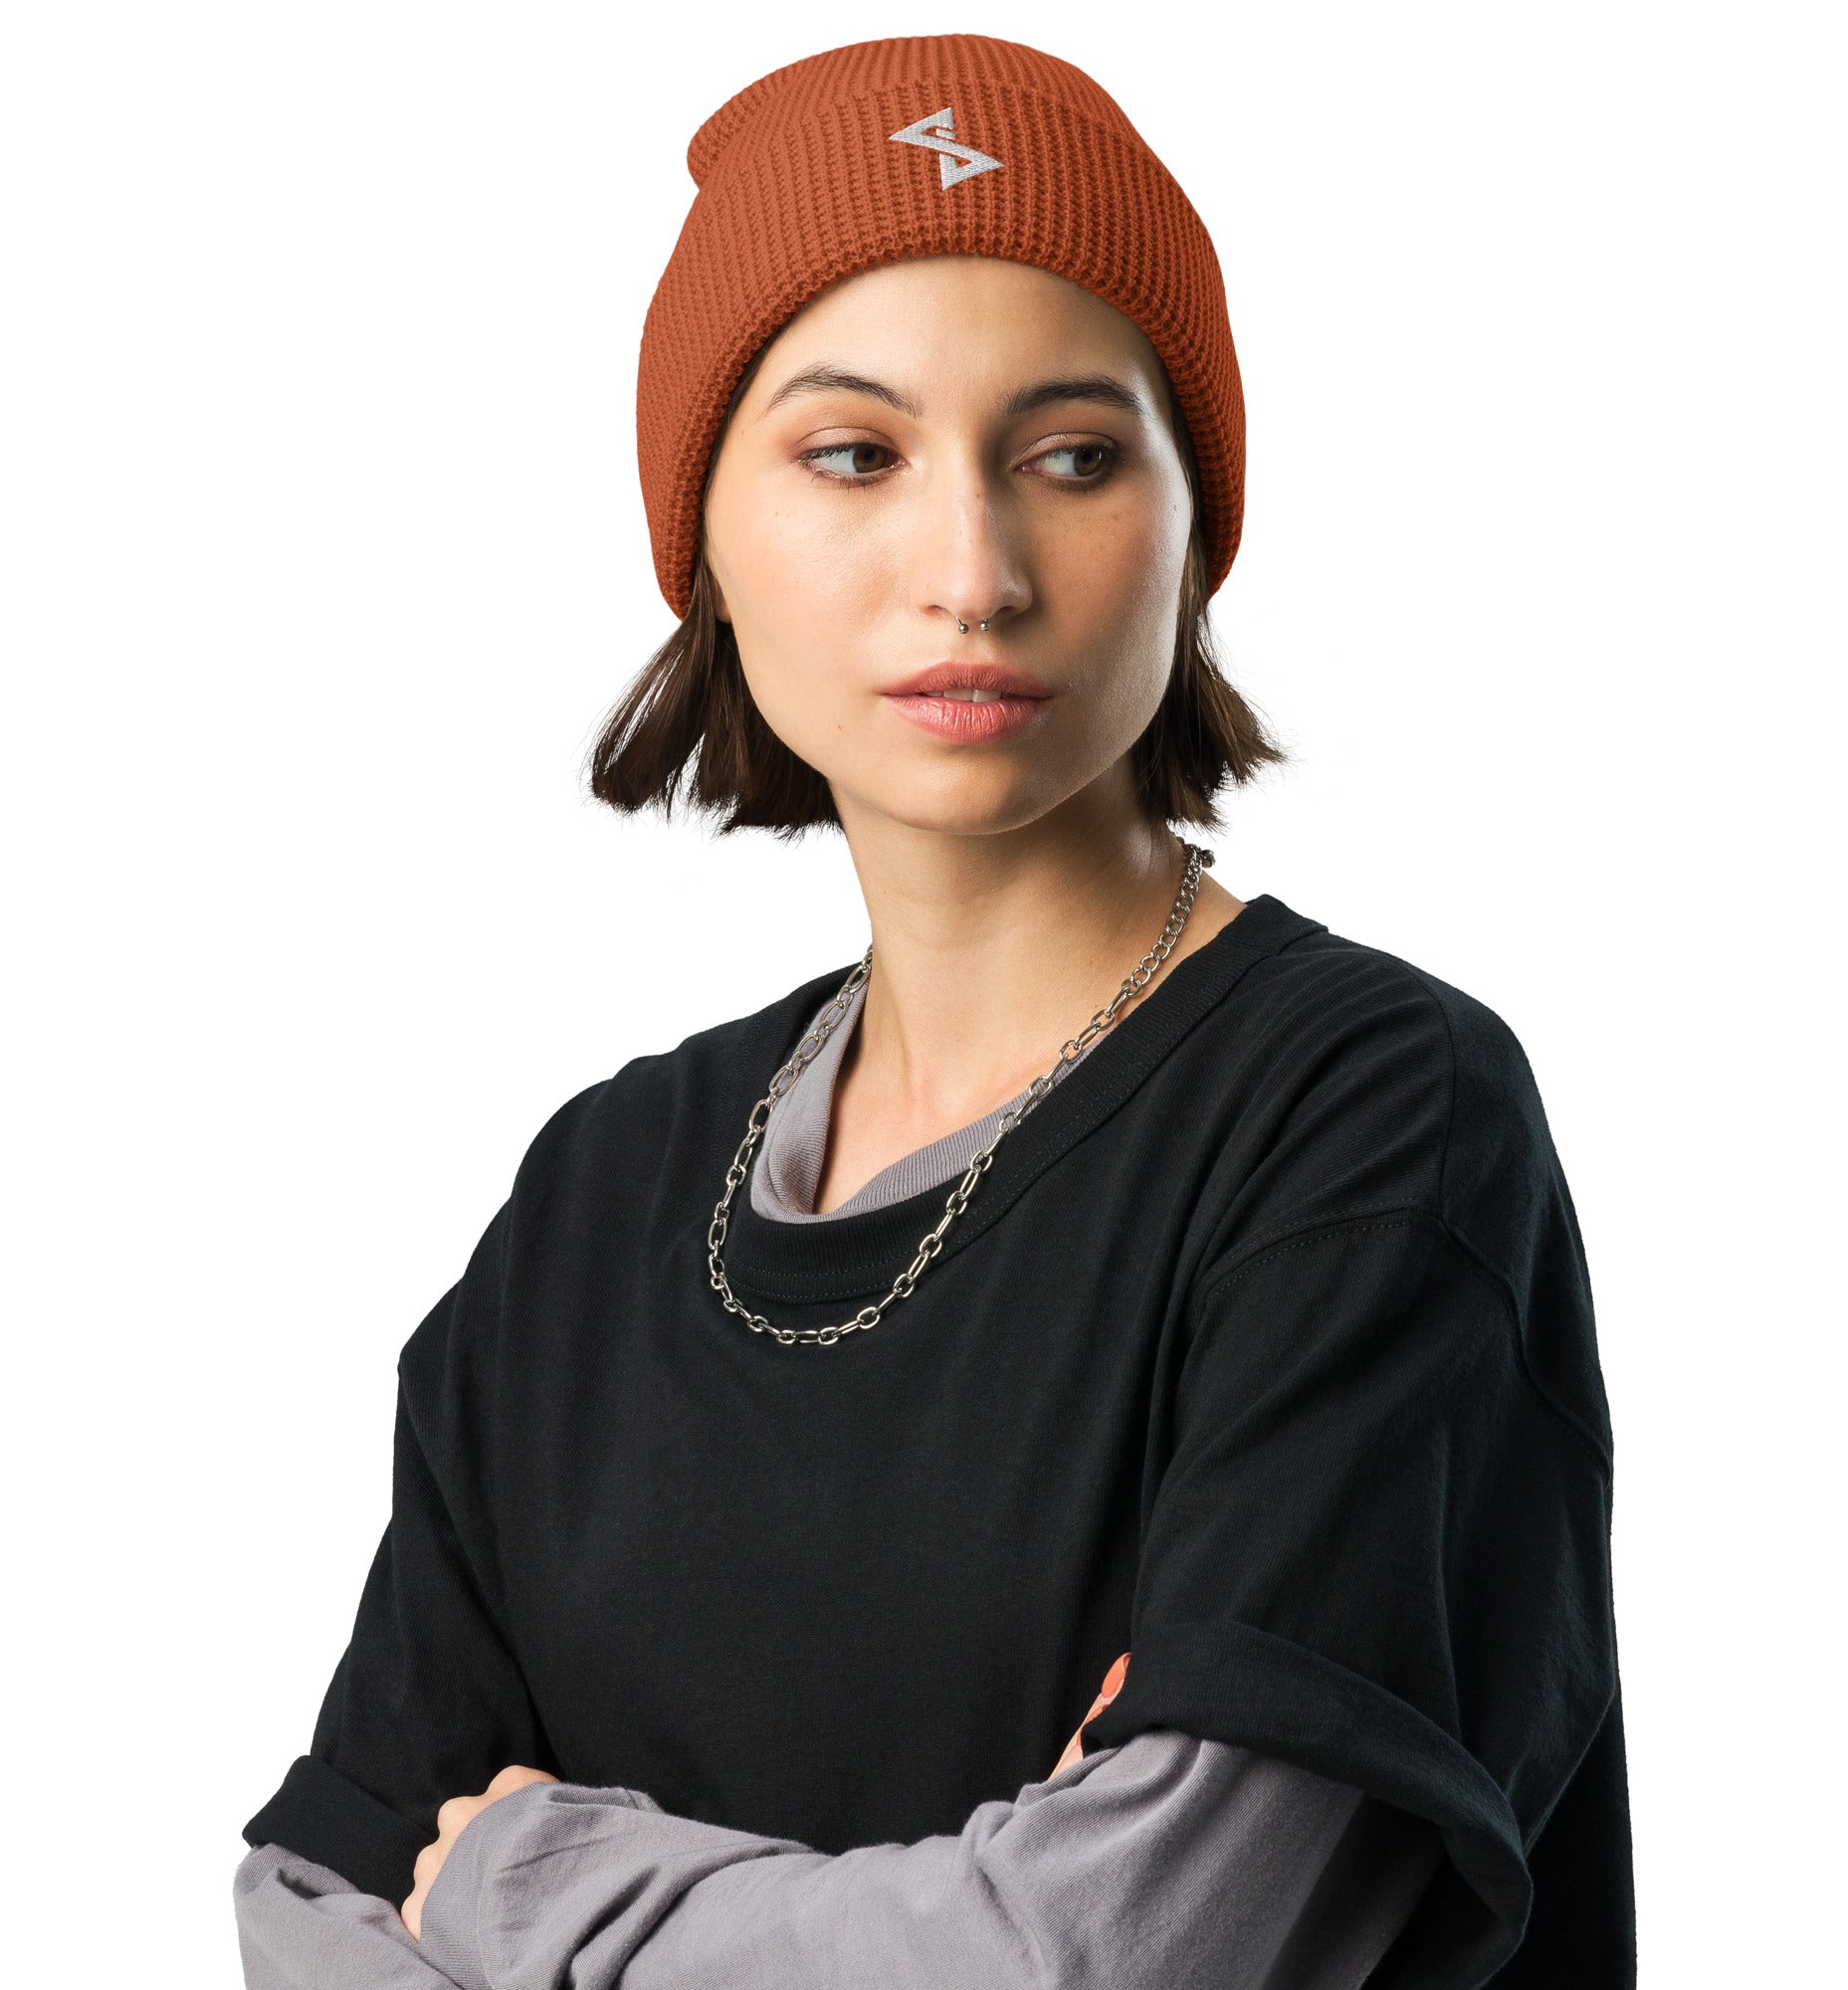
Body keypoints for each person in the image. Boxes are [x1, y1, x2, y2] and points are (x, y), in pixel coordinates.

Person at [233, 33, 1633, 1990]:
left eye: (1074, 457)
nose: (971, 572)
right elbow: (308, 1913)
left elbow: (1108, 1960)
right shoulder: (598, 1195)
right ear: (704, 539)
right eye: (852, 454)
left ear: (1194, 524)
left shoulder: (1369, 1121)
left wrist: (532, 1881)